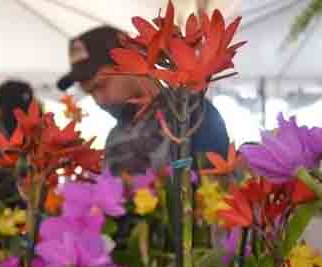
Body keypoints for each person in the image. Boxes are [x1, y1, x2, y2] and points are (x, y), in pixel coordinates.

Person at [57, 26, 229, 174]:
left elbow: (214, 189)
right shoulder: (115, 135)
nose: (99, 100)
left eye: (100, 86)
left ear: (129, 64)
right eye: (89, 93)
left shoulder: (190, 110)